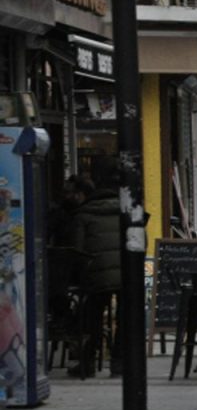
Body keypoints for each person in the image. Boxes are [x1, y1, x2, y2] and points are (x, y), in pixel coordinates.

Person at [70, 161, 121, 378]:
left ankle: (88, 361)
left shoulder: (83, 214)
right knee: (125, 318)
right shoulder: (128, 210)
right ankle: (119, 363)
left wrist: (80, 276)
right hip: (125, 275)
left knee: (92, 317)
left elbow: (77, 250)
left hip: (96, 276)